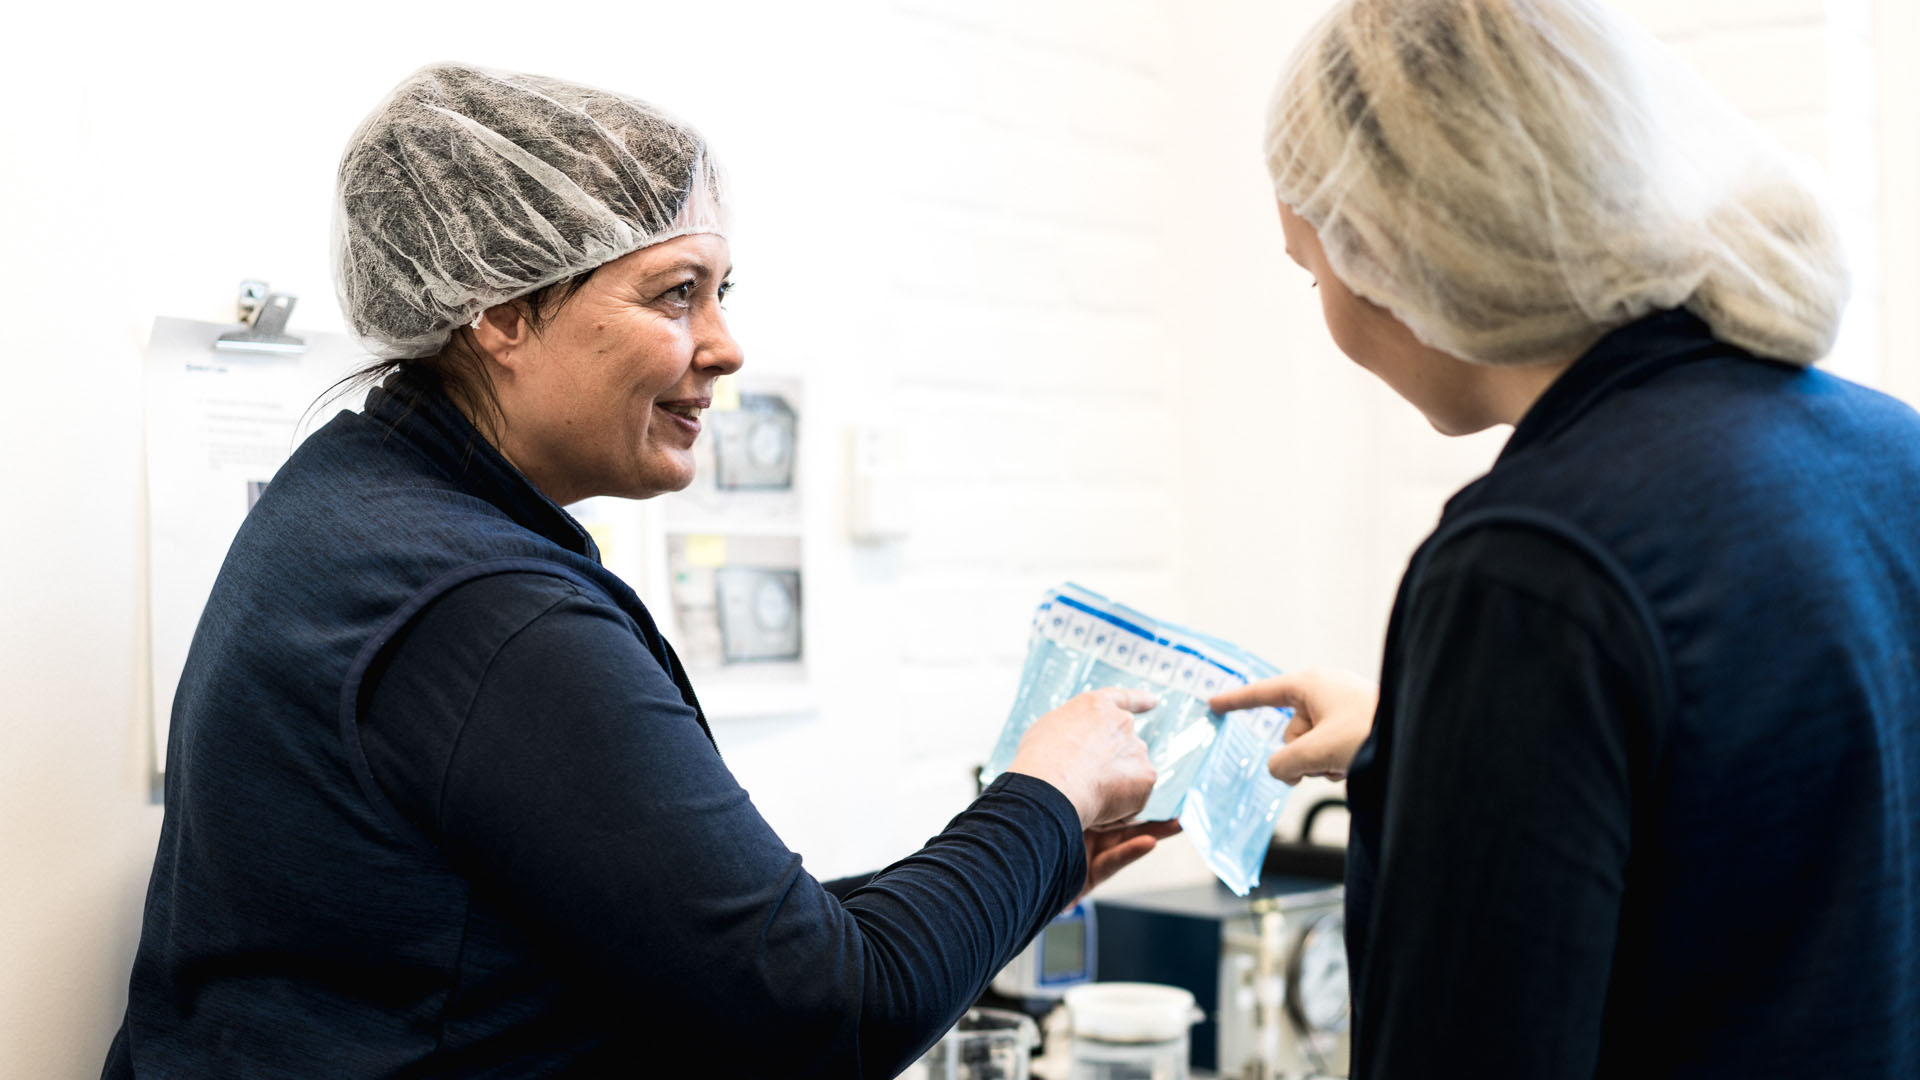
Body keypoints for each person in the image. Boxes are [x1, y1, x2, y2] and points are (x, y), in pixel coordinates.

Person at [104, 63, 1177, 1079]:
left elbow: (716, 949)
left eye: (722, 291)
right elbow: (829, 1017)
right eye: (675, 294)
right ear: (500, 307)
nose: (725, 344)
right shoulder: (485, 616)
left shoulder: (354, 498)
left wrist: (1029, 867)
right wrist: (1049, 788)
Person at [1208, 1, 1920, 1076]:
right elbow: (1752, 834)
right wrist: (1425, 749)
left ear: (1388, 246)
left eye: (1315, 270)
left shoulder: (1531, 567)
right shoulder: (1888, 453)